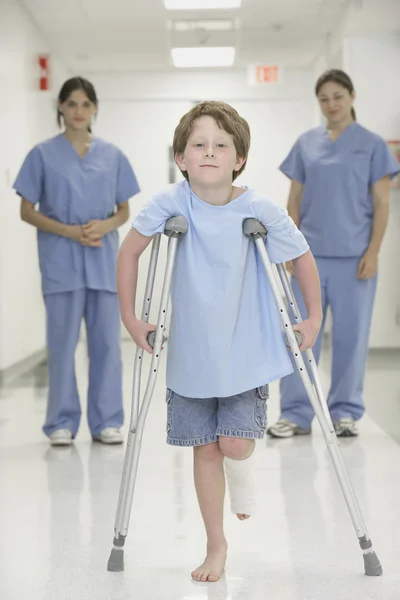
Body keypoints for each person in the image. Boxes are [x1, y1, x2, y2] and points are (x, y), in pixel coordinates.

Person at [117, 101, 322, 582]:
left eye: (221, 145)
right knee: (204, 448)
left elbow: (303, 258)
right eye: (198, 145)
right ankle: (216, 544)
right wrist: (130, 316)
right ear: (181, 158)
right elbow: (129, 253)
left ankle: (243, 471)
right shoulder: (171, 202)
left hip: (246, 351)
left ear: (239, 159)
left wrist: (311, 319)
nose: (209, 152)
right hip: (191, 355)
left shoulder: (260, 208)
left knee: (232, 445)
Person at [267, 69, 400, 439]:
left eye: (338, 96)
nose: (331, 104)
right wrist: (287, 249)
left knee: (350, 337)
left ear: (352, 96)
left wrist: (374, 251)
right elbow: (293, 200)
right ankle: (295, 413)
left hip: (356, 258)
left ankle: (345, 412)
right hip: (308, 257)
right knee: (298, 335)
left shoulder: (372, 145)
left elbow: (382, 204)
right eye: (324, 98)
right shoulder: (306, 143)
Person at [13, 77, 140, 447]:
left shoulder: (112, 155)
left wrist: (104, 225)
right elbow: (26, 210)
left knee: (106, 347)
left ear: (95, 108)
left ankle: (107, 421)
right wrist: (68, 232)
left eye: (86, 104)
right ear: (61, 108)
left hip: (101, 261)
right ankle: (61, 423)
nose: (79, 111)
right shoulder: (42, 154)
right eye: (71, 104)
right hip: (61, 263)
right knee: (62, 346)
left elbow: (124, 210)